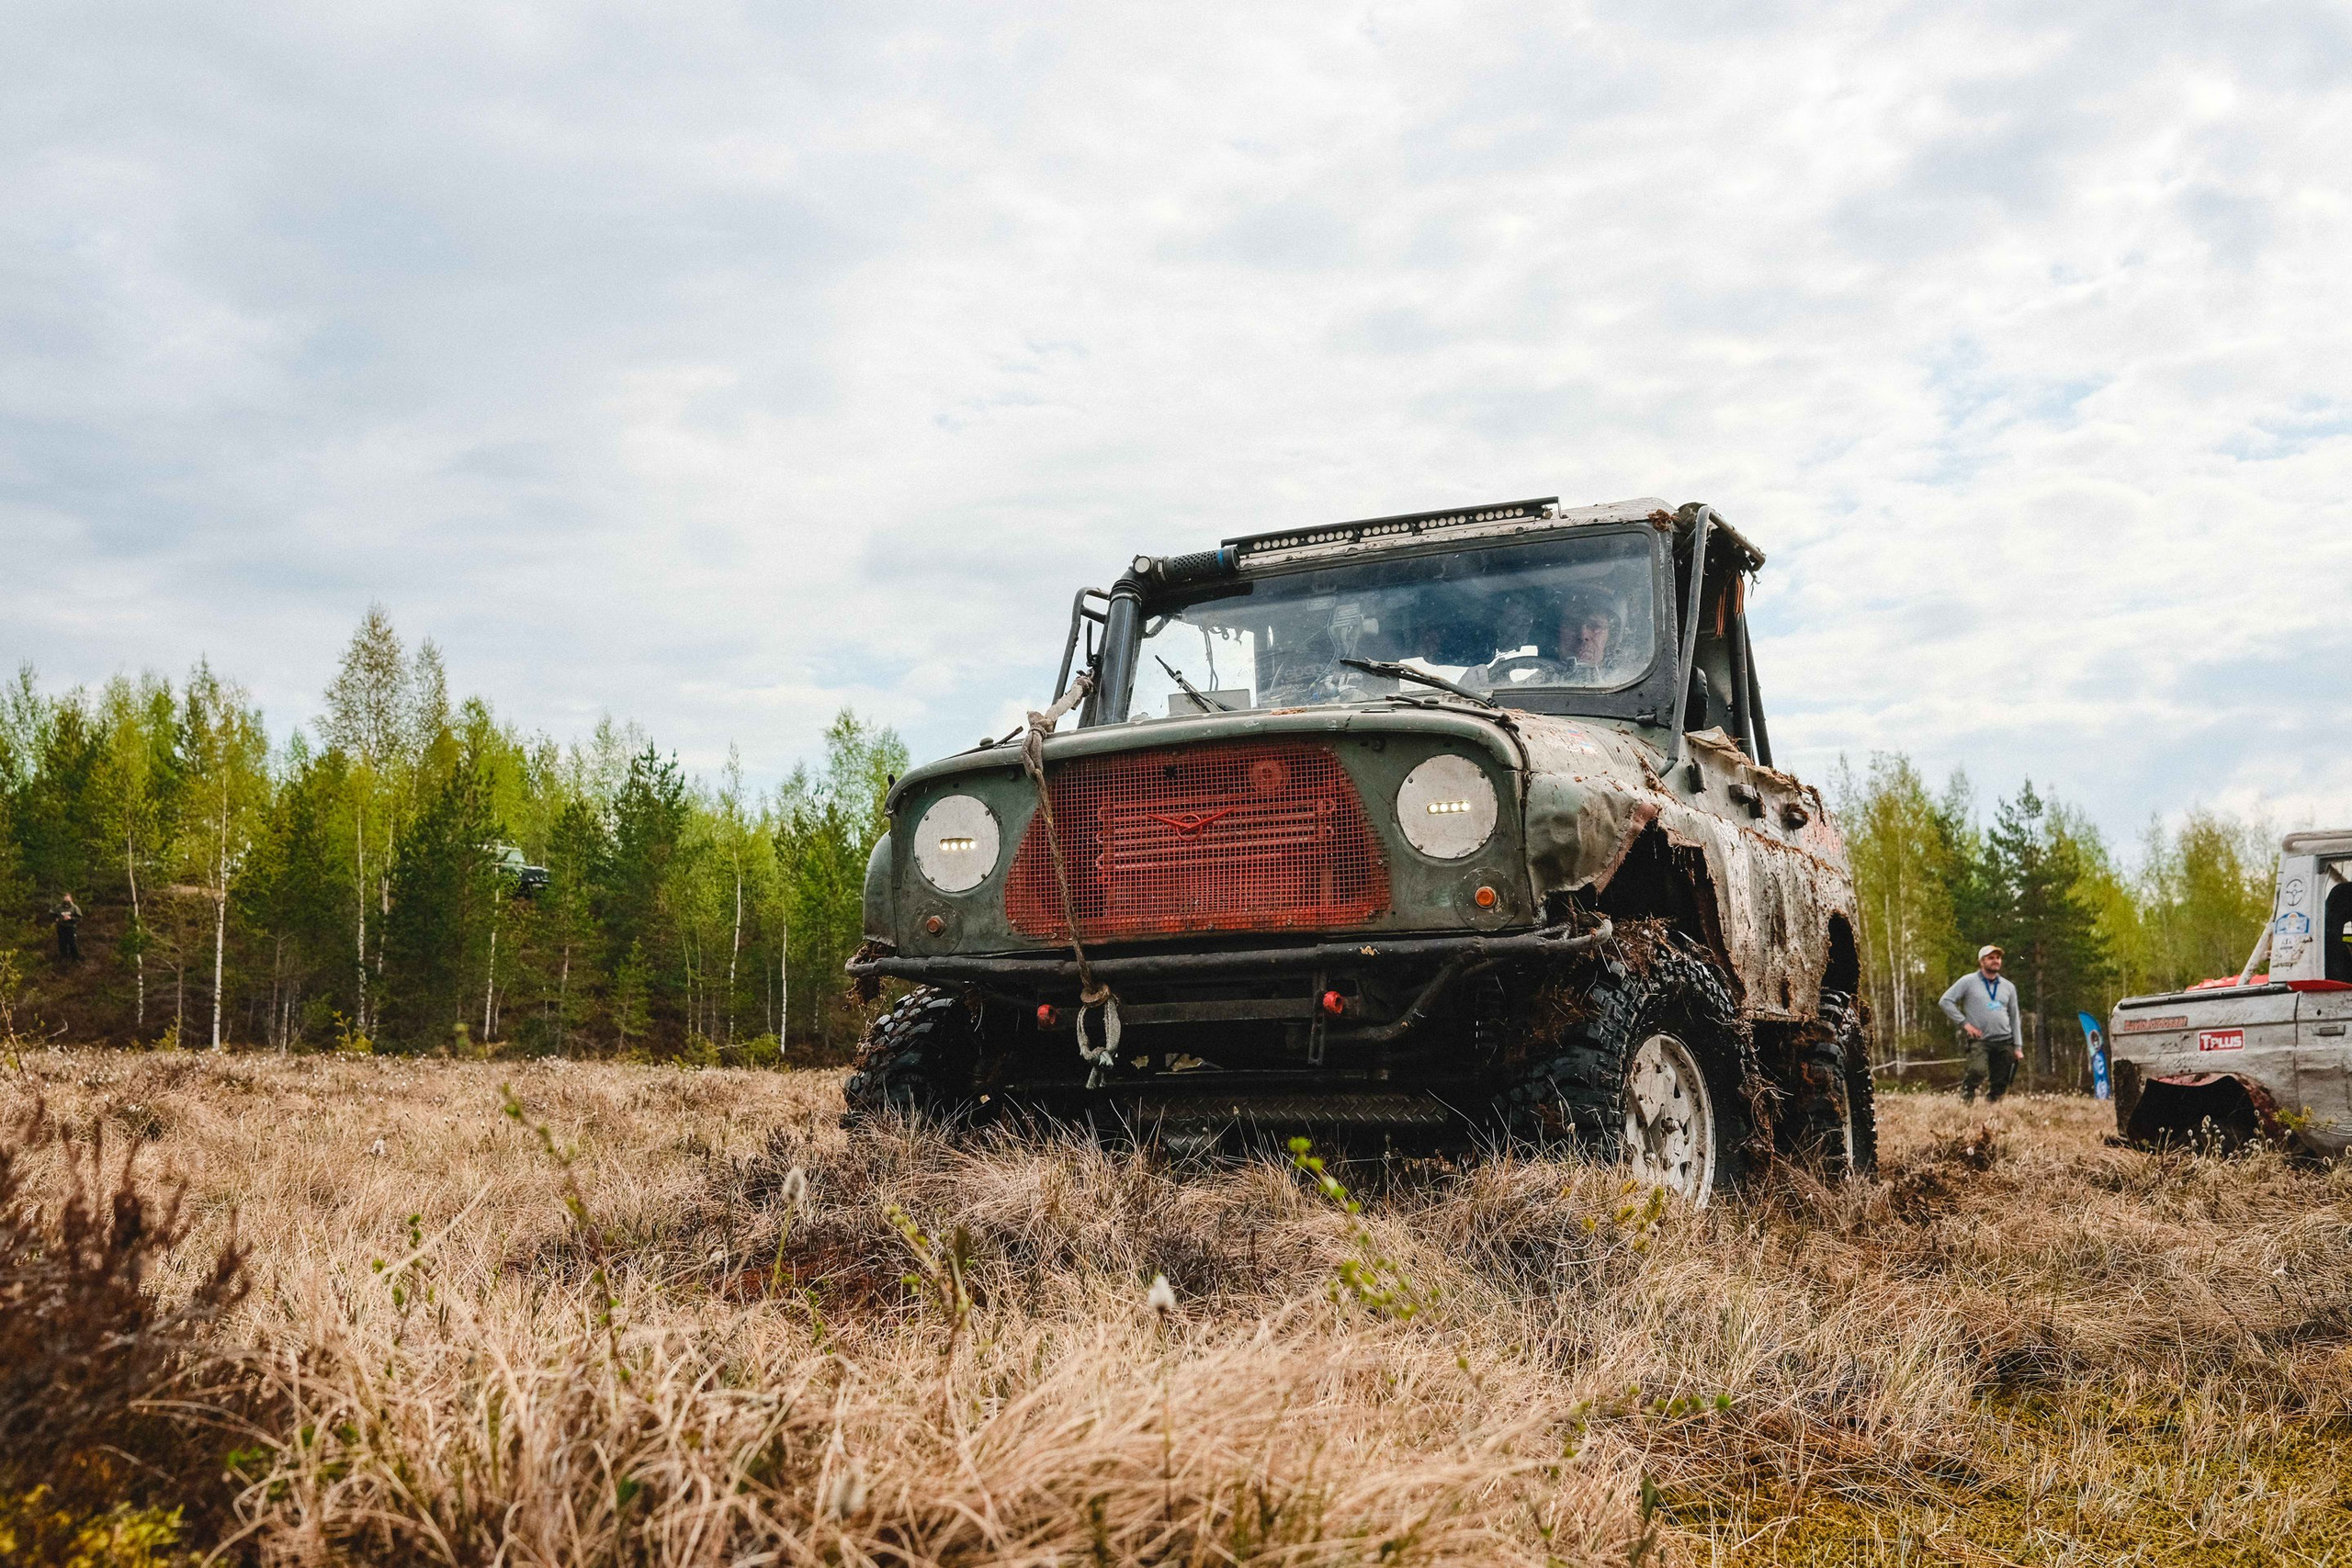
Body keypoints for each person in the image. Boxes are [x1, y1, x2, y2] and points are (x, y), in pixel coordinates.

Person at [1939, 944, 2022, 1104]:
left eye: (1998, 958)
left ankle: (1993, 1106)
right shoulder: (1968, 981)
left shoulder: (2008, 987)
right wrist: (1964, 1023)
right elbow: (1946, 1001)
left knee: (2001, 1079)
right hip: (1980, 1039)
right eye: (1990, 958)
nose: (1995, 961)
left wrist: (2018, 1047)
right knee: (1977, 1071)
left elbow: (2014, 1016)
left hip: (2005, 1039)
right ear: (1981, 961)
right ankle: (1966, 1098)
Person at [53, 892, 81, 963]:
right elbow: (52, 914)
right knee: (62, 943)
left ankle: (75, 958)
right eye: (65, 899)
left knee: (72, 943)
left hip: (71, 928)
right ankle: (63, 958)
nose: (66, 901)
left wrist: (70, 918)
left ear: (71, 899)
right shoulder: (58, 907)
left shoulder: (75, 908)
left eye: (68, 899)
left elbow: (79, 918)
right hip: (61, 928)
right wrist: (56, 919)